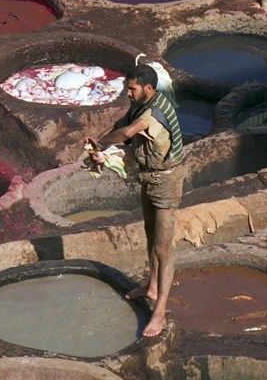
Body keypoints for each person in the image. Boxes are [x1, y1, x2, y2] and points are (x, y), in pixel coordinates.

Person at [85, 63, 184, 338]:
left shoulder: (152, 114)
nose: (127, 93)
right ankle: (152, 287)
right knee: (150, 236)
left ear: (148, 89)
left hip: (166, 181)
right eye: (126, 88)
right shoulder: (142, 103)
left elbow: (129, 133)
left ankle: (160, 311)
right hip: (148, 175)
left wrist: (103, 145)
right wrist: (100, 147)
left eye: (132, 88)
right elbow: (123, 124)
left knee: (163, 248)